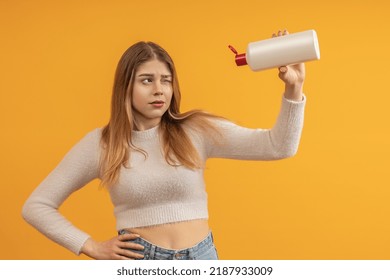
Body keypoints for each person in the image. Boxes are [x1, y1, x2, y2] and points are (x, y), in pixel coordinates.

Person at [22, 30, 306, 260]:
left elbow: (278, 146)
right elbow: (36, 206)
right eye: (147, 80)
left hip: (202, 259)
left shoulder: (195, 130)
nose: (159, 89)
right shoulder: (102, 144)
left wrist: (294, 87)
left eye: (166, 81)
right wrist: (90, 246)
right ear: (126, 87)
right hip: (140, 263)